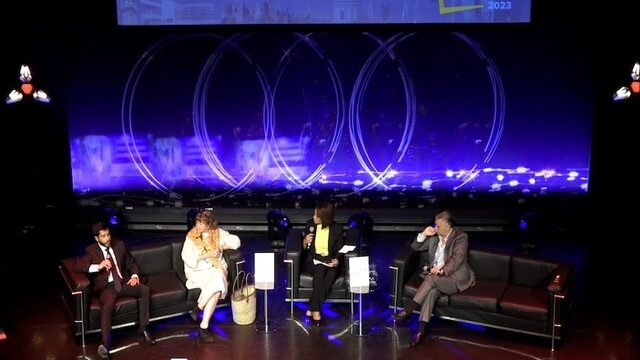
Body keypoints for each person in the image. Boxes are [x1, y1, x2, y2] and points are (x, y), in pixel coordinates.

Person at [392, 210, 476, 347]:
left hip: (454, 278)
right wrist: (424, 234)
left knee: (430, 279)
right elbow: (415, 246)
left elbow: (457, 259)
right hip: (436, 278)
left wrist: (442, 270)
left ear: (449, 226)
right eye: (435, 225)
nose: (436, 228)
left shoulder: (460, 237)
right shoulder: (434, 236)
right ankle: (420, 332)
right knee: (431, 292)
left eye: (439, 226)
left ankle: (408, 311)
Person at [73, 220, 156, 359]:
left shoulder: (119, 245)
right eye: (103, 236)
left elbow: (131, 263)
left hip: (123, 282)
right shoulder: (91, 251)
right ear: (97, 238)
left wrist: (134, 276)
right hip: (107, 287)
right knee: (108, 305)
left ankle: (143, 328)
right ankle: (105, 343)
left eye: (108, 235)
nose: (107, 239)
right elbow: (78, 266)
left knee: (144, 290)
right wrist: (97, 266)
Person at [181, 209, 241, 342]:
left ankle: (201, 315)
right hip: (198, 271)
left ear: (209, 225)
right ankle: (202, 323)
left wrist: (222, 247)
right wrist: (205, 256)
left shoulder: (218, 233)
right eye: (197, 223)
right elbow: (186, 257)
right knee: (218, 286)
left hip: (215, 269)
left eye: (201, 224)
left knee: (218, 279)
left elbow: (236, 241)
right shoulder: (191, 236)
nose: (198, 226)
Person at [302, 201, 344, 326]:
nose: (313, 217)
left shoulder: (337, 229)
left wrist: (337, 260)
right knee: (320, 269)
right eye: (314, 214)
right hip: (313, 260)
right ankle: (316, 311)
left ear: (325, 218)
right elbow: (305, 249)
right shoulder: (311, 225)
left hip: (329, 260)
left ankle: (312, 307)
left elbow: (340, 251)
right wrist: (304, 241)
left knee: (332, 272)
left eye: (316, 216)